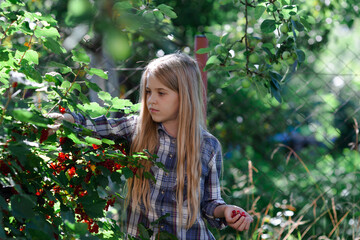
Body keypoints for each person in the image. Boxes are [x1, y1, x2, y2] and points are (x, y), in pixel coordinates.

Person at [51, 52, 253, 239]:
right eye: (148, 92)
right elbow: (98, 126)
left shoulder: (208, 146)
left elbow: (210, 203)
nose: (151, 100)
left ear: (184, 95)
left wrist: (226, 211)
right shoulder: (137, 129)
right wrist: (65, 119)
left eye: (161, 93)